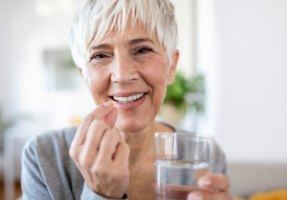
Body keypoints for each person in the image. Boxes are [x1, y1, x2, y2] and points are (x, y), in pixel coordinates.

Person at [21, 0, 233, 199]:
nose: (122, 75)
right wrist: (100, 193)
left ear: (171, 66)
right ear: (84, 74)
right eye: (100, 56)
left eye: (142, 50)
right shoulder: (43, 156)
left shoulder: (205, 155)